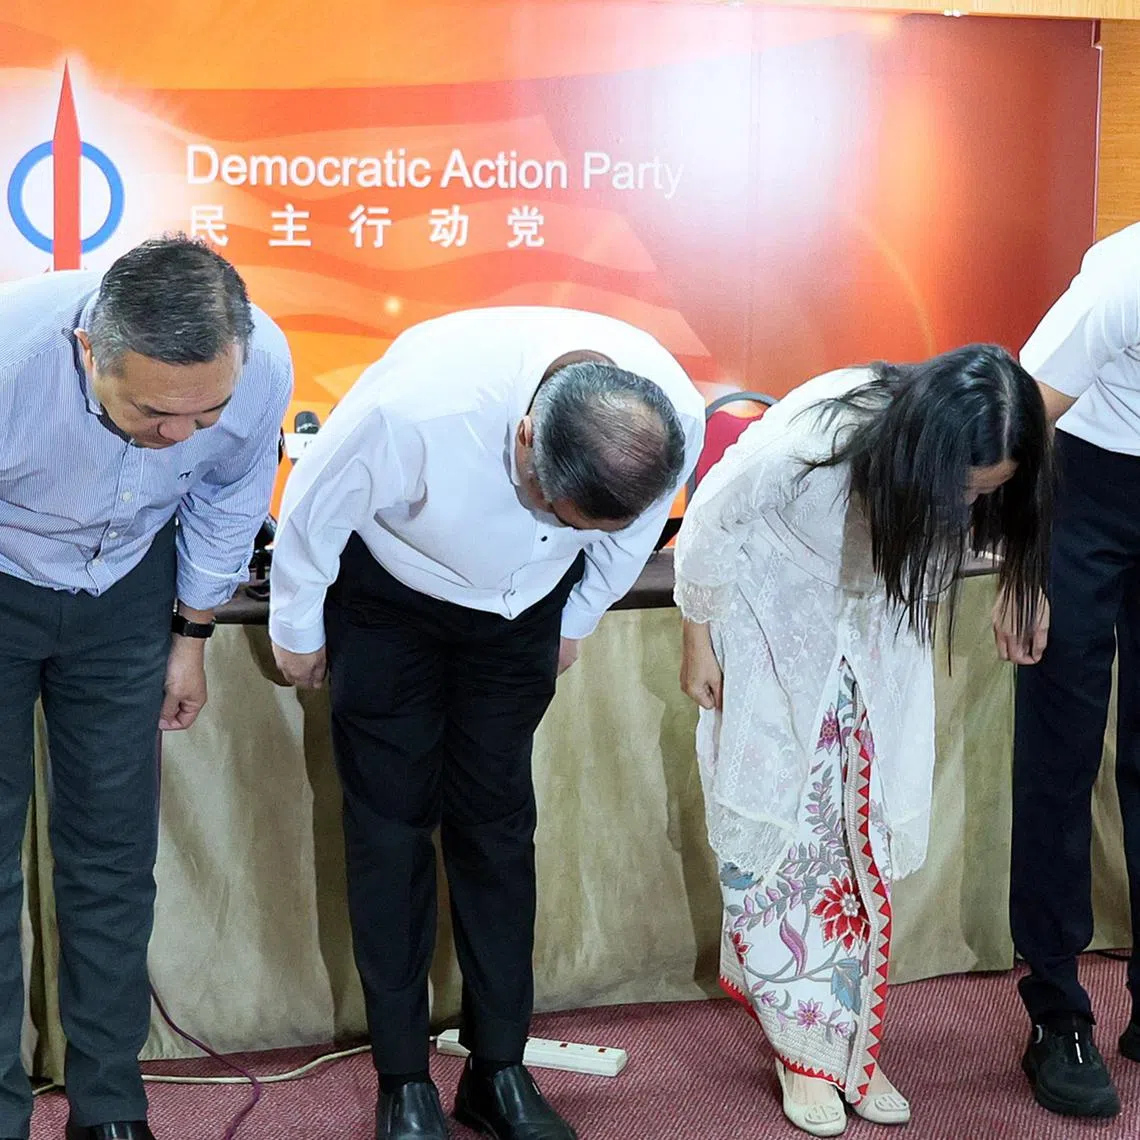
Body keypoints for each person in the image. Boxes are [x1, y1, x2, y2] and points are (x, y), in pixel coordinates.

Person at [267, 307, 704, 1140]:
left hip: (525, 615)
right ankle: (403, 1081)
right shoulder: (416, 409)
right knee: (390, 830)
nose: (556, 522)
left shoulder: (664, 418)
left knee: (499, 825)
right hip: (393, 597)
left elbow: (630, 534)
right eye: (552, 504)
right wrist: (296, 632)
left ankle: (497, 1068)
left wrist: (574, 615)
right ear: (527, 432)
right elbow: (314, 511)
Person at [675, 346, 1051, 1137]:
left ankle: (848, 1044)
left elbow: (1003, 527)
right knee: (788, 837)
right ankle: (799, 1049)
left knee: (858, 838)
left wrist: (1022, 574)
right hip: (775, 615)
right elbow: (714, 511)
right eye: (960, 486)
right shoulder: (819, 434)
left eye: (986, 492)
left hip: (875, 627)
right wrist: (698, 638)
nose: (968, 504)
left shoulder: (977, 468)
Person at [0, 237, 293, 1140]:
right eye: (155, 412)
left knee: (113, 859)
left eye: (205, 414)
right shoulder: (11, 356)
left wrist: (191, 634)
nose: (180, 437)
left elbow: (230, 496)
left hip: (128, 592)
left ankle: (109, 1106)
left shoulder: (261, 359)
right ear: (91, 348)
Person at [997, 221, 1140, 1119]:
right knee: (1060, 757)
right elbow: (1021, 418)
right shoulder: (1125, 275)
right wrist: (1022, 570)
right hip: (1081, 486)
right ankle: (1056, 1011)